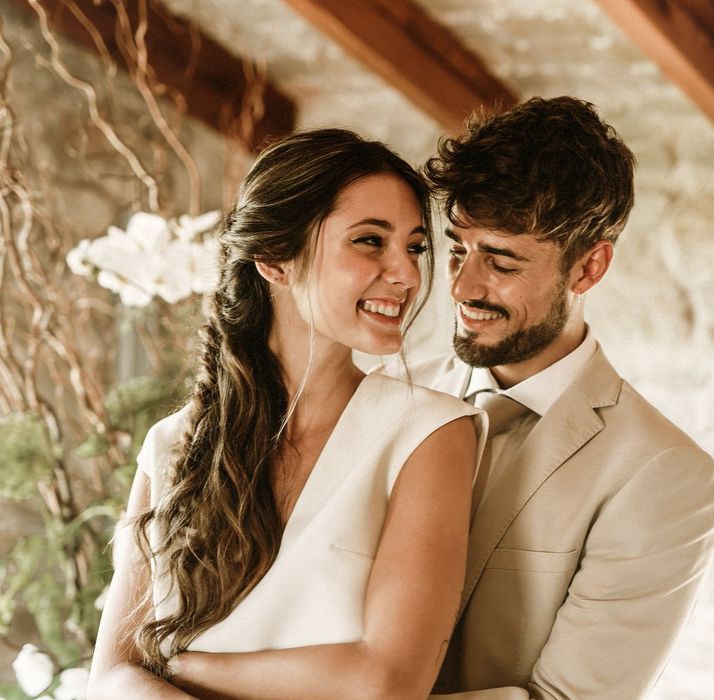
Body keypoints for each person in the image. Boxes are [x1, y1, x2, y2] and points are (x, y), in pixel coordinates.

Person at [88, 128, 484, 699]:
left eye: (416, 246)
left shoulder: (430, 434)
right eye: (371, 241)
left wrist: (175, 664)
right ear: (274, 257)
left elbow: (387, 682)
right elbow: (110, 677)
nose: (406, 274)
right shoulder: (173, 445)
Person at [386, 97, 714, 699]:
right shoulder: (388, 392)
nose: (462, 285)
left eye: (502, 260)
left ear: (588, 268)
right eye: (458, 247)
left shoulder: (664, 475)